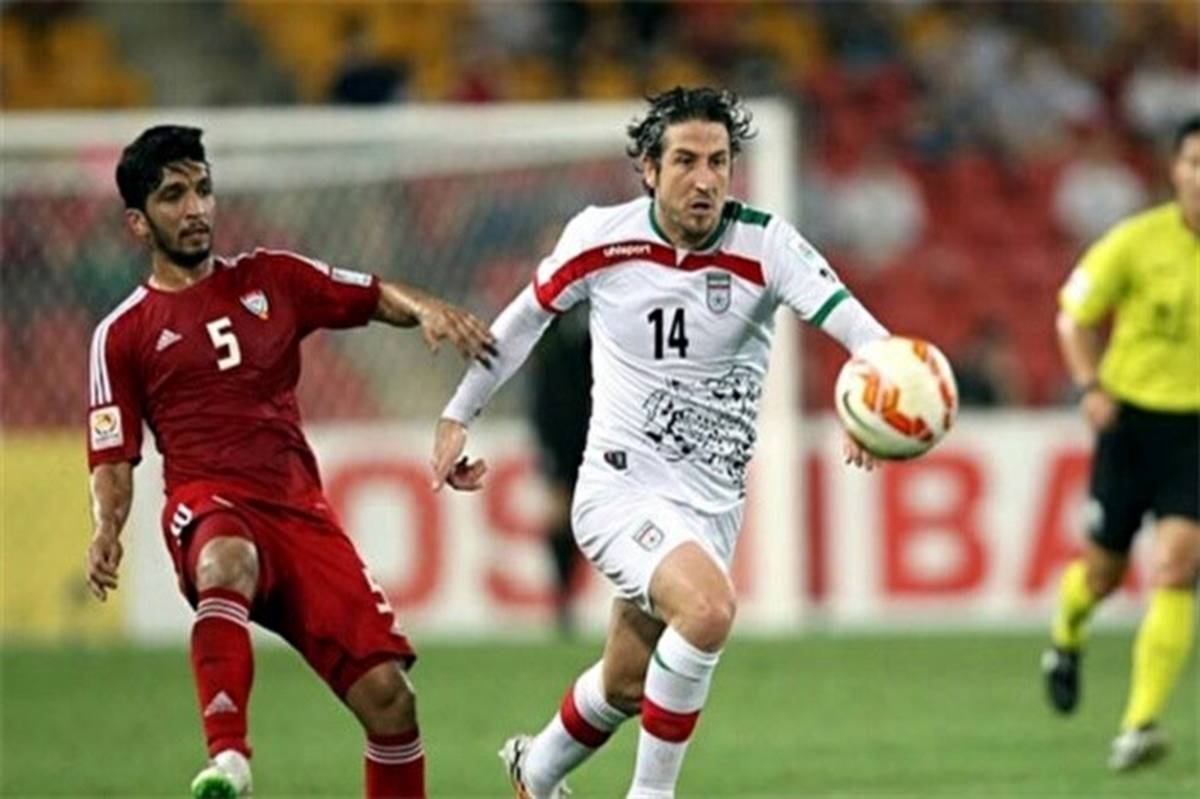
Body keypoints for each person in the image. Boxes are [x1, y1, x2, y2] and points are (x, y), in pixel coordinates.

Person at [430, 87, 888, 799]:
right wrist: (459, 413)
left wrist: (872, 400)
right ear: (649, 168)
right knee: (707, 610)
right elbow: (523, 321)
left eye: (719, 162)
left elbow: (868, 335)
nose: (705, 179)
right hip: (618, 488)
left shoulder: (766, 244)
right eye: (685, 161)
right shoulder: (600, 237)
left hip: (709, 507)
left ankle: (535, 772)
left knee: (624, 681)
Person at [84, 125, 496, 799]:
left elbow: (372, 294)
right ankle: (230, 758)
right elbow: (112, 456)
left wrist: (426, 308)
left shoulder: (271, 277)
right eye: (173, 196)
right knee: (227, 561)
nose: (195, 208)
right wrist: (107, 527)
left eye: (203, 189)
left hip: (300, 515)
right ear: (138, 222)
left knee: (391, 701)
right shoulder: (121, 334)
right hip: (208, 501)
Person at [1042, 113, 1200, 772]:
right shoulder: (1136, 241)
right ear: (1174, 170)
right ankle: (1066, 633)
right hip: (1130, 425)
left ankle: (1139, 724)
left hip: (1195, 433)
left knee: (1178, 564)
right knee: (1103, 574)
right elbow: (1073, 316)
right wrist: (1089, 387)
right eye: (1194, 163)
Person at [528, 306, 591, 635]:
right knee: (561, 515)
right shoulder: (549, 326)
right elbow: (541, 391)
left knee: (584, 519)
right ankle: (562, 595)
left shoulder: (596, 316)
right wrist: (544, 440)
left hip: (595, 431)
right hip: (559, 432)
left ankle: (567, 593)